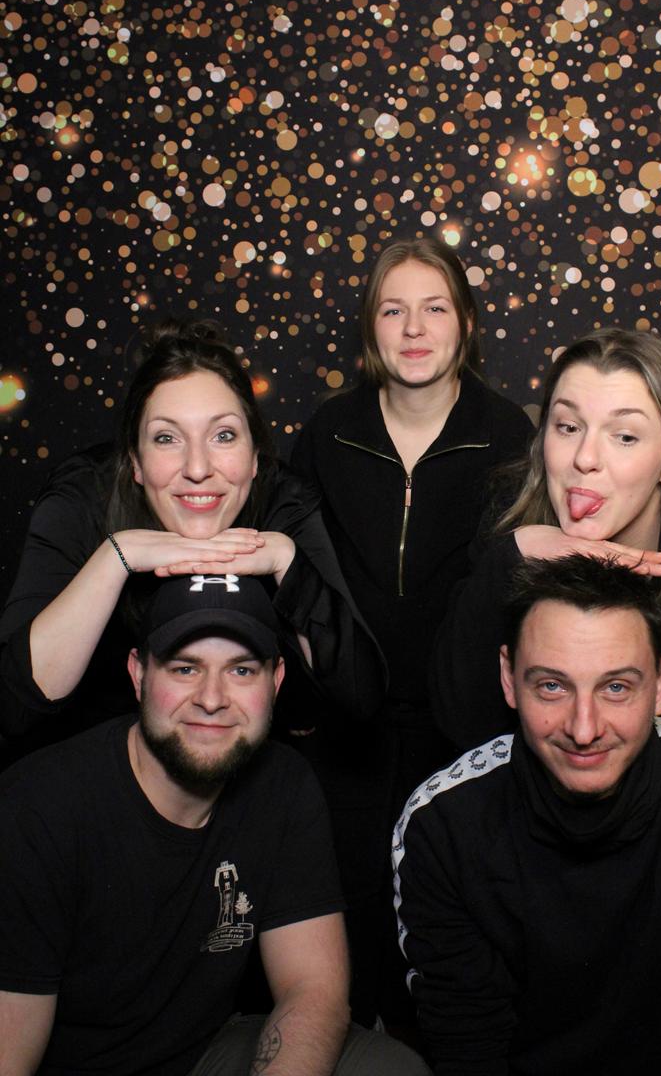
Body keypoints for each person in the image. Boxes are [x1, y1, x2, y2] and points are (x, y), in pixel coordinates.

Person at [0, 573, 431, 1076]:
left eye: (241, 670)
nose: (212, 698)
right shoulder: (37, 807)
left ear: (276, 681)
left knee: (390, 1066)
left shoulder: (283, 784)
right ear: (139, 675)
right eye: (185, 668)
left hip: (204, 1053)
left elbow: (313, 988)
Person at [394, 554, 661, 1076]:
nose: (583, 729)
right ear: (508, 679)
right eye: (552, 686)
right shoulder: (440, 824)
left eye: (616, 688)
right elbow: (469, 1050)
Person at [290, 237, 533, 1021]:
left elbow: (517, 595)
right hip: (345, 733)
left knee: (452, 939)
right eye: (394, 311)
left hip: (464, 730)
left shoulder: (509, 438)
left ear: (466, 322)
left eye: (435, 308)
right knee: (344, 939)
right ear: (371, 328)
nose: (415, 329)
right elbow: (293, 580)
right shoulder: (330, 432)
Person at [430, 326, 661, 820]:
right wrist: (512, 557)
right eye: (567, 427)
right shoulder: (508, 525)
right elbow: (461, 729)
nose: (585, 459)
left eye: (624, 436)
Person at [0, 319, 386, 757]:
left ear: (255, 457)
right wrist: (115, 558)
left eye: (223, 435)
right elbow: (13, 709)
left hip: (244, 765)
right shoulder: (82, 499)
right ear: (136, 461)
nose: (198, 468)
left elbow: (362, 698)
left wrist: (287, 563)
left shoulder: (285, 504)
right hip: (95, 762)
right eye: (167, 438)